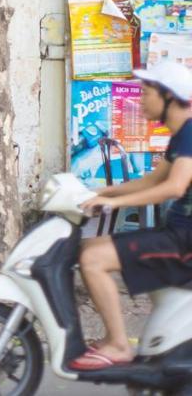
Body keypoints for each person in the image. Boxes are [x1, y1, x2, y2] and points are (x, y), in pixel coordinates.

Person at [71, 60, 192, 370]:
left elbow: (174, 188)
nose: (141, 99)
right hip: (178, 235)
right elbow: (153, 180)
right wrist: (97, 194)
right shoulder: (181, 136)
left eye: (147, 92)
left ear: (170, 97)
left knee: (94, 259)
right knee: (90, 248)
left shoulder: (190, 134)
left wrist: (114, 204)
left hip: (184, 243)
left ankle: (118, 344)